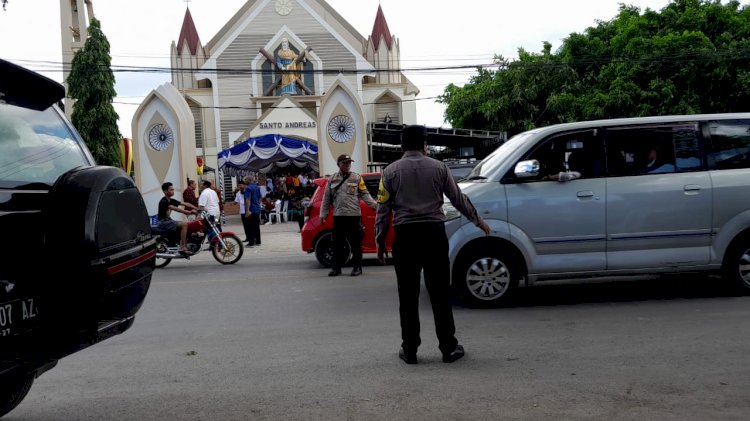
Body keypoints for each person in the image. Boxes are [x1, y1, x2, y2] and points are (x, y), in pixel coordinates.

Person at [375, 125, 490, 365]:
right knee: (439, 292)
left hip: (405, 237)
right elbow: (458, 199)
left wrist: (379, 241)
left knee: (407, 295)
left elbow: (383, 210)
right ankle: (448, 347)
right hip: (433, 234)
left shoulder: (390, 172)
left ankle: (410, 350)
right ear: (425, 144)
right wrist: (478, 221)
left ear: (403, 146)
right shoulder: (439, 168)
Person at [320, 154, 377, 277]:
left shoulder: (357, 178)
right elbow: (326, 198)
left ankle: (357, 268)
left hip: (353, 216)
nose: (347, 165)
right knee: (337, 244)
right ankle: (336, 268)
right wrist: (323, 214)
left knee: (356, 243)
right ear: (338, 164)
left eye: (349, 163)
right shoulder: (332, 179)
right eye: (345, 163)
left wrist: (375, 206)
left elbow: (365, 194)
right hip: (339, 216)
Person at [157, 182, 198, 254]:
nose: (173, 191)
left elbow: (186, 203)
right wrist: (188, 212)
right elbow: (176, 209)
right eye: (171, 190)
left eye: (173, 189)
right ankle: (182, 247)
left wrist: (197, 208)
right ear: (165, 191)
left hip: (168, 220)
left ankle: (182, 242)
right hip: (163, 222)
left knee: (189, 224)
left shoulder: (171, 200)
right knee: (184, 224)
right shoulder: (163, 201)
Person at [244, 175, 262, 247]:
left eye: (245, 180)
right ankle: (258, 241)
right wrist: (257, 204)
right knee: (256, 226)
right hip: (257, 208)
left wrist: (247, 210)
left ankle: (251, 242)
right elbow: (260, 197)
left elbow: (248, 200)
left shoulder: (248, 188)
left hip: (251, 209)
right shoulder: (257, 187)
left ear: (249, 180)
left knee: (250, 226)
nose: (245, 181)